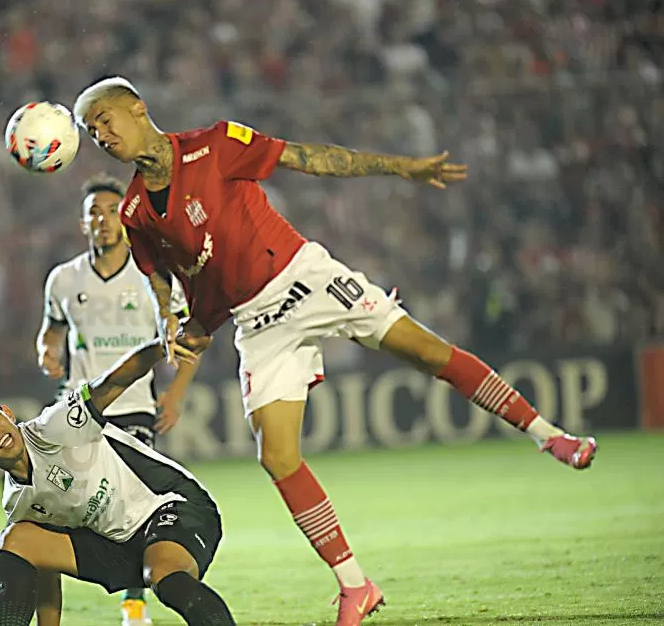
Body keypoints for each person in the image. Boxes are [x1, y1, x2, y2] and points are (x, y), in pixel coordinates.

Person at [71, 76, 599, 626]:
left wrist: (402, 168)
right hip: (256, 322)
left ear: (138, 109)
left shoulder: (216, 143)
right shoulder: (133, 210)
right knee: (275, 456)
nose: (101, 135)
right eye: (90, 131)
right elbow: (164, 280)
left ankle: (549, 436)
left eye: (106, 120)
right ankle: (356, 585)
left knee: (427, 353)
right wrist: (177, 319)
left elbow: (311, 159)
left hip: (305, 278)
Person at [0, 174, 199, 626]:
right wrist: (46, 347)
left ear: (126, 221)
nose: (103, 220)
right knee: (43, 503)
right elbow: (51, 328)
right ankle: (12, 596)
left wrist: (177, 391)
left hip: (129, 406)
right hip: (73, 409)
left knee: (127, 502)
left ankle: (133, 604)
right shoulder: (63, 279)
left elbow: (184, 337)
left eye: (112, 211)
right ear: (82, 224)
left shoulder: (152, 277)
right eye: (94, 213)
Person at [0, 329, 233, 626]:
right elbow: (45, 571)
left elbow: (113, 382)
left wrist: (160, 347)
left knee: (164, 576)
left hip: (173, 505)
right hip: (119, 544)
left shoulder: (53, 427)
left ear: (6, 413)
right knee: (14, 541)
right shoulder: (17, 502)